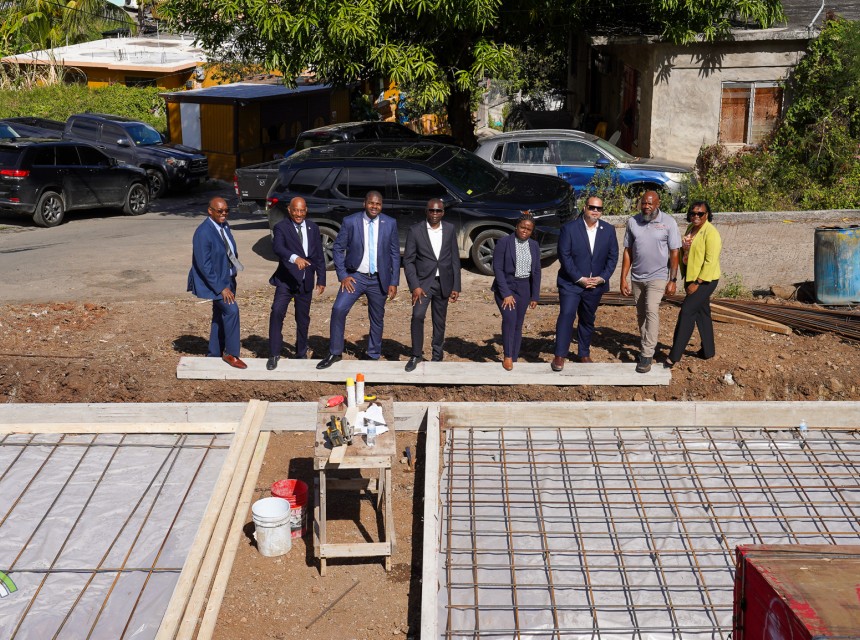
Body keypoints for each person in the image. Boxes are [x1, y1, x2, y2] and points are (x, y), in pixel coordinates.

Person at [317, 191, 399, 369]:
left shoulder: (390, 223)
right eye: (371, 203)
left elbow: (394, 254)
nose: (374, 207)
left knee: (377, 317)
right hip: (355, 277)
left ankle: (373, 355)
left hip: (379, 279)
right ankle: (335, 352)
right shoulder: (351, 221)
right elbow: (338, 248)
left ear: (381, 205)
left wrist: (394, 281)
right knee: (338, 309)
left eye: (378, 204)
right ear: (365, 203)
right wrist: (343, 275)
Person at [551, 195, 619, 371]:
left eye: (599, 209)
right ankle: (560, 355)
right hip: (571, 284)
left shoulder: (608, 230)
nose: (595, 211)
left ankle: (583, 353)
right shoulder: (569, 229)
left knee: (588, 319)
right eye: (592, 207)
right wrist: (579, 279)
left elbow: (613, 257)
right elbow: (564, 256)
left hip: (595, 285)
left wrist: (602, 278)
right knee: (567, 315)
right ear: (584, 208)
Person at [620, 190, 681, 373]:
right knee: (641, 315)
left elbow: (675, 252)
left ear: (658, 203)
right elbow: (628, 251)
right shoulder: (633, 222)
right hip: (637, 277)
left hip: (658, 276)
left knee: (651, 310)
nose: (646, 207)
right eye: (643, 203)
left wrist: (673, 279)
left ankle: (647, 354)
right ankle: (646, 345)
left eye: (650, 203)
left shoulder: (668, 222)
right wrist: (623, 277)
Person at [266, 196, 326, 370]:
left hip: (306, 280)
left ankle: (301, 353)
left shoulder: (313, 228)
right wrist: (295, 258)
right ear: (290, 210)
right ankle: (274, 353)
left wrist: (321, 278)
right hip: (286, 280)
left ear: (306, 210)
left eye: (302, 210)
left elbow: (318, 256)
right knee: (277, 312)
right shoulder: (281, 227)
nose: (298, 214)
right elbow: (278, 248)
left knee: (303, 319)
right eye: (295, 210)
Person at [402, 198, 462, 371]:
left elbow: (454, 259)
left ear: (443, 212)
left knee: (439, 321)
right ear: (426, 211)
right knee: (418, 316)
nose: (435, 214)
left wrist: (456, 286)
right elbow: (409, 261)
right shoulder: (415, 230)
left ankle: (437, 355)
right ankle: (416, 355)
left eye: (438, 211)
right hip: (423, 284)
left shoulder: (449, 229)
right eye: (432, 211)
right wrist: (415, 286)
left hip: (444, 282)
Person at [188, 196, 246, 369]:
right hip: (217, 282)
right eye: (220, 211)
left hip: (228, 277)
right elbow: (204, 265)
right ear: (210, 211)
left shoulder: (223, 226)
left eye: (226, 210)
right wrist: (221, 288)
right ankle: (231, 353)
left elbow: (229, 250)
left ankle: (214, 352)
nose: (224, 214)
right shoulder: (203, 232)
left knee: (219, 315)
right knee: (232, 311)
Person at [666, 201, 722, 367]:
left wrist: (697, 283)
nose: (696, 216)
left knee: (687, 311)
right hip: (692, 277)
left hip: (705, 280)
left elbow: (710, 261)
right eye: (693, 213)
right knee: (702, 313)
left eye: (700, 214)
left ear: (707, 215)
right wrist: (685, 248)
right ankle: (708, 351)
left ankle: (674, 356)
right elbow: (689, 253)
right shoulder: (691, 229)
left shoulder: (711, 233)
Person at [491, 214, 541, 371]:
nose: (525, 231)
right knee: (509, 319)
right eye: (522, 227)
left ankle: (514, 355)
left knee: (518, 324)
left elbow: (537, 271)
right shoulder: (504, 242)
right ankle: (507, 356)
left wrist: (535, 295)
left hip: (524, 287)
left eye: (528, 229)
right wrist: (506, 293)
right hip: (506, 286)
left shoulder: (533, 245)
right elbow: (497, 268)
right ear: (516, 226)